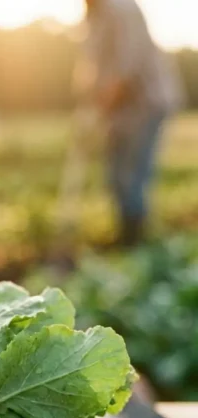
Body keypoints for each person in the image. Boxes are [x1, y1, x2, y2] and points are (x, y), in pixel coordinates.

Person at [78, 0, 183, 245]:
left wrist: (108, 94)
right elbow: (93, 63)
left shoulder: (122, 8)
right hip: (121, 110)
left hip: (145, 102)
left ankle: (136, 240)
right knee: (115, 176)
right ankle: (125, 233)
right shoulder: (95, 15)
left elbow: (128, 63)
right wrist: (90, 93)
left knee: (133, 175)